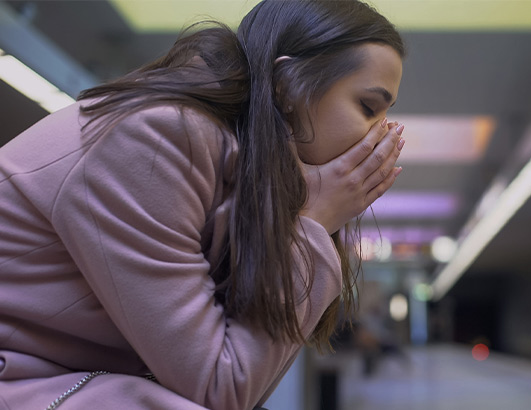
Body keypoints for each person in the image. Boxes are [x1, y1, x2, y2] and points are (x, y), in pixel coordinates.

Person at [0, 0, 405, 409]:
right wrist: (315, 221)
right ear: (287, 84)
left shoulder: (243, 171)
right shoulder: (157, 140)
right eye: (369, 107)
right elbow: (222, 388)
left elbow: (246, 385)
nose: (382, 135)